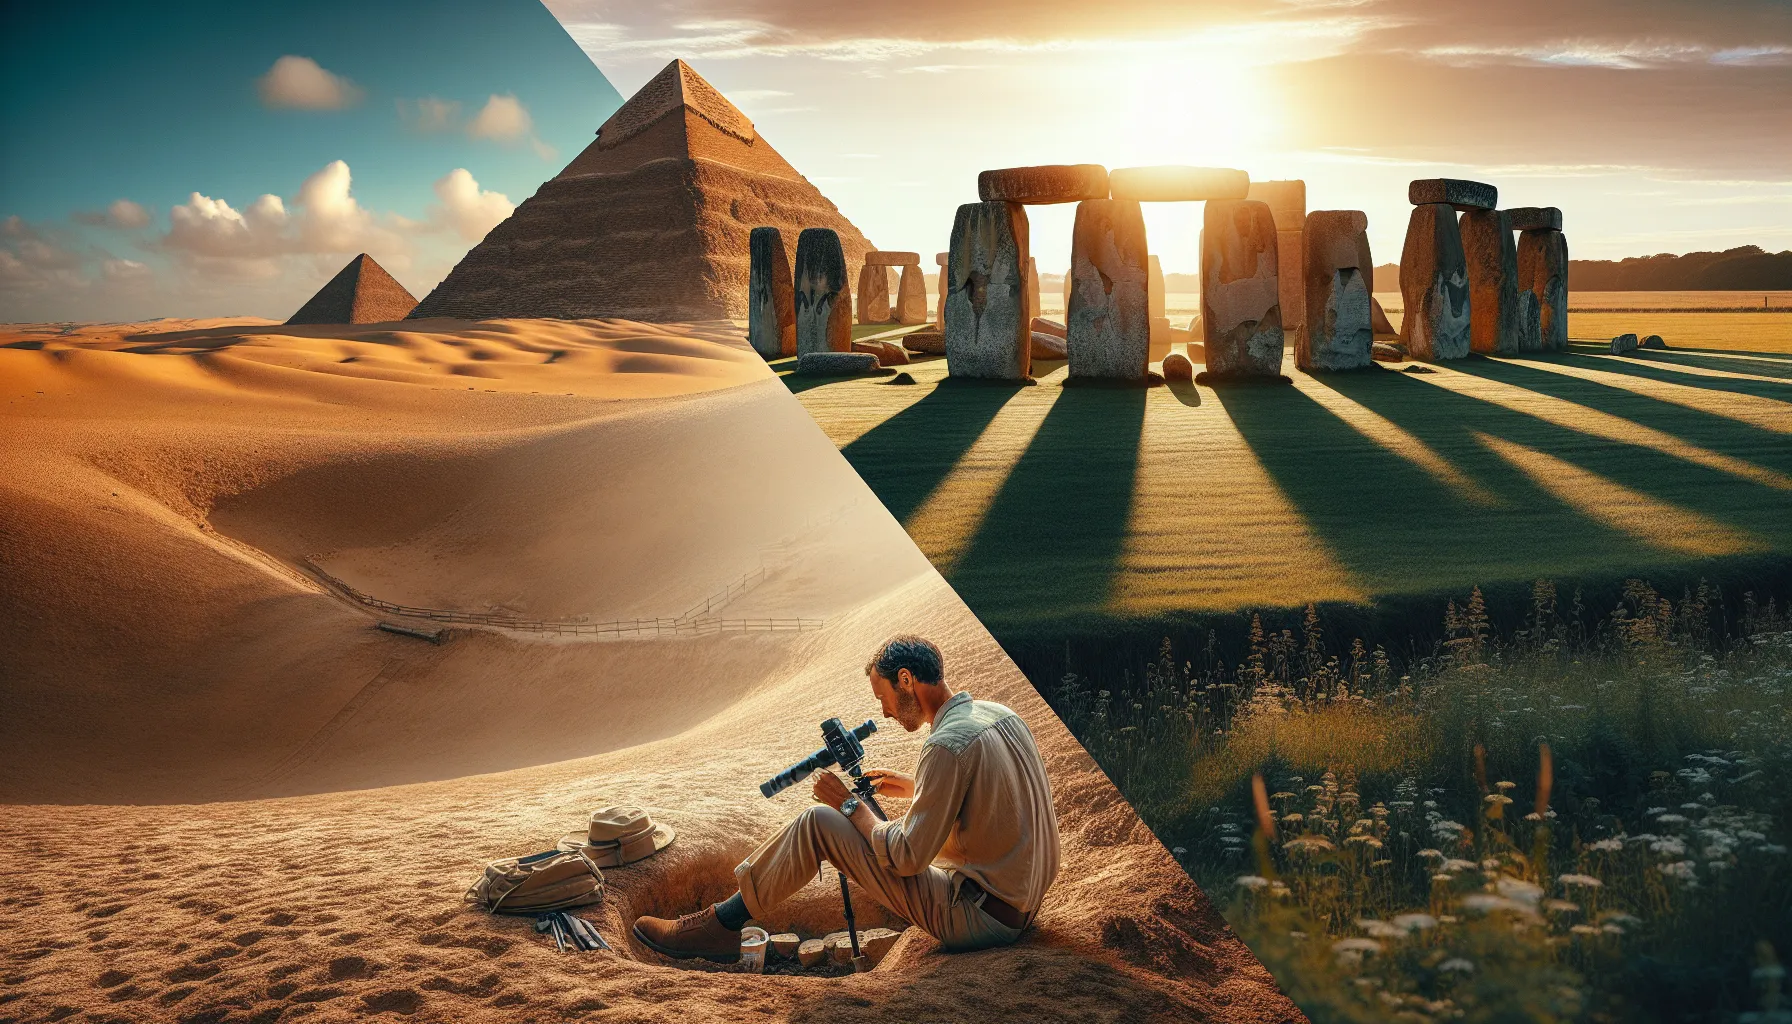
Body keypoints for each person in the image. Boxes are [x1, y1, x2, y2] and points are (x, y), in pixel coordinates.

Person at [633, 634, 1061, 962]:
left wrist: (849, 805)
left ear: (906, 680)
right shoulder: (999, 715)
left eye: (884, 697)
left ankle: (718, 925)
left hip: (982, 919)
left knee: (818, 823)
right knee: (858, 821)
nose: (887, 711)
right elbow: (997, 799)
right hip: (1023, 901)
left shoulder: (945, 747)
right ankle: (722, 919)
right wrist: (915, 787)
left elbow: (909, 857)